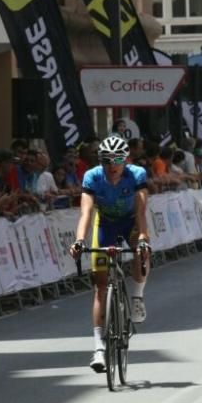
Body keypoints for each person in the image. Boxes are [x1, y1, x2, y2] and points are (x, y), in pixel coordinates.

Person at [68, 135, 152, 374]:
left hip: (130, 222)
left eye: (117, 159)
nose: (112, 165)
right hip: (105, 224)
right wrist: (79, 241)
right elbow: (86, 213)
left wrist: (144, 237)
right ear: (100, 160)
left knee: (142, 250)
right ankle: (98, 349)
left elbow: (141, 210)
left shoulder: (136, 174)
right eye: (107, 160)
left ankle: (136, 297)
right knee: (100, 287)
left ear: (125, 160)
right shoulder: (92, 177)